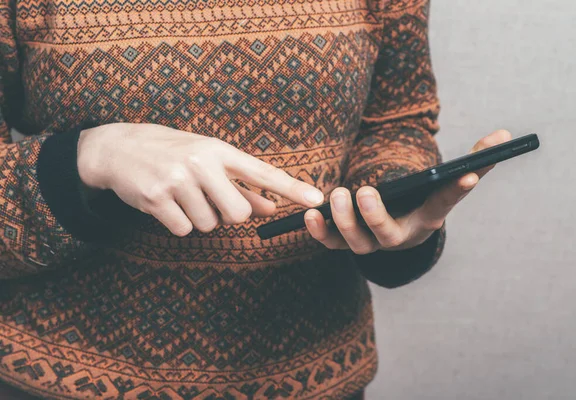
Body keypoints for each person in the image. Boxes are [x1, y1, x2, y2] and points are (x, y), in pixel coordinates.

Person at [0, 0, 510, 397]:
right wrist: (89, 158)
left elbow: (395, 120)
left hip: (316, 371)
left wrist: (389, 203)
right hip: (58, 377)